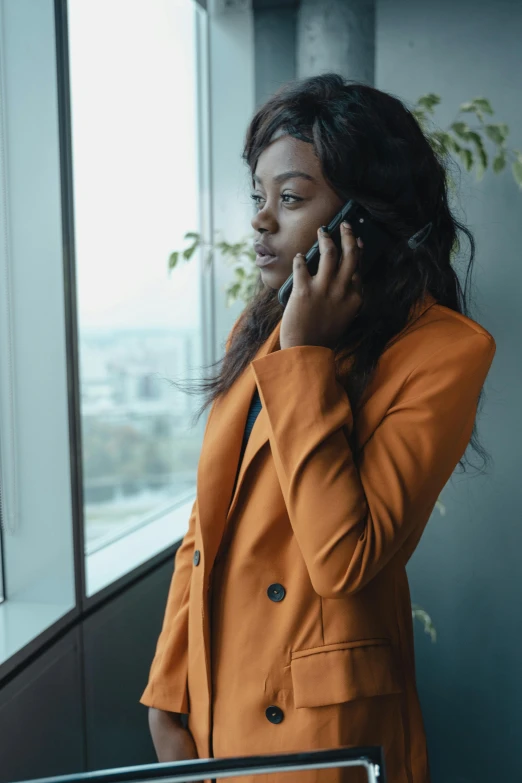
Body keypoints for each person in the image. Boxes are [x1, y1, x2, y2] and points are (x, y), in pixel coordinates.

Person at [140, 74, 496, 783]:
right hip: (213, 703)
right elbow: (205, 528)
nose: (261, 221)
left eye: (292, 198)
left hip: (321, 734)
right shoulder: (258, 324)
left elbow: (345, 558)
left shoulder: (445, 351)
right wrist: (166, 693)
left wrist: (307, 357)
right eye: (259, 197)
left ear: (362, 219)